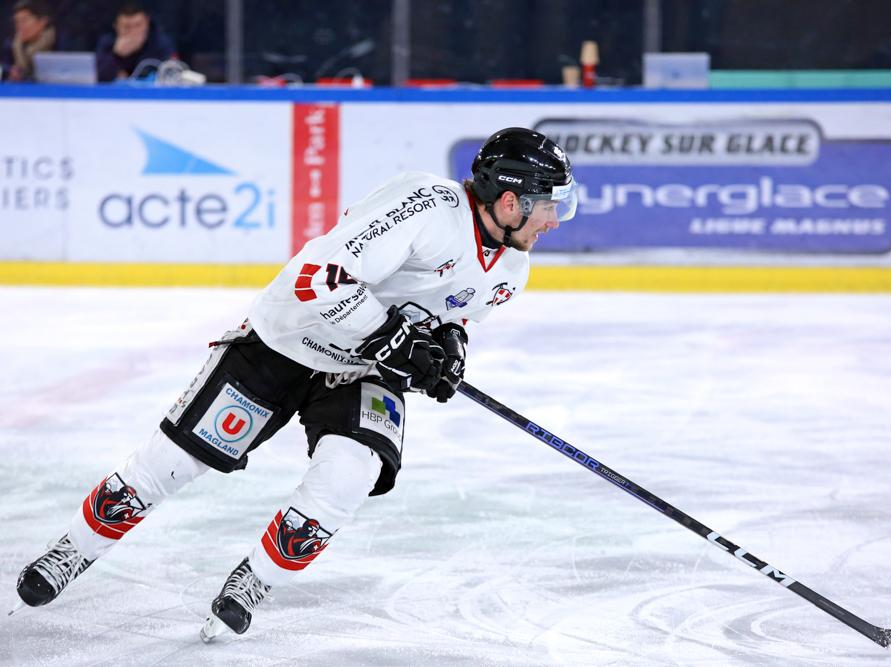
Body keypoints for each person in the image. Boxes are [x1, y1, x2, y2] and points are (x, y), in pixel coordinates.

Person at [13, 127, 578, 641]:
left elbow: (450, 315)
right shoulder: (426, 205)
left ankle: (251, 581)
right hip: (286, 339)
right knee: (173, 463)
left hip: (360, 367)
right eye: (550, 206)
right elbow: (320, 278)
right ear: (510, 200)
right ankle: (73, 550)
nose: (555, 221)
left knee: (353, 472)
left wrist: (448, 349)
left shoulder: (512, 268)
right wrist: (388, 333)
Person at [95, 1, 174, 82]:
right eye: (127, 27)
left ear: (147, 23)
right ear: (116, 26)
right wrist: (117, 55)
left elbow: (169, 73)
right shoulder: (107, 42)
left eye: (138, 25)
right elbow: (97, 77)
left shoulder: (160, 42)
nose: (133, 31)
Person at [0, 0, 57, 82]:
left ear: (42, 22)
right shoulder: (10, 46)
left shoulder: (59, 44)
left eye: (24, 21)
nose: (19, 26)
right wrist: (10, 76)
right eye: (17, 22)